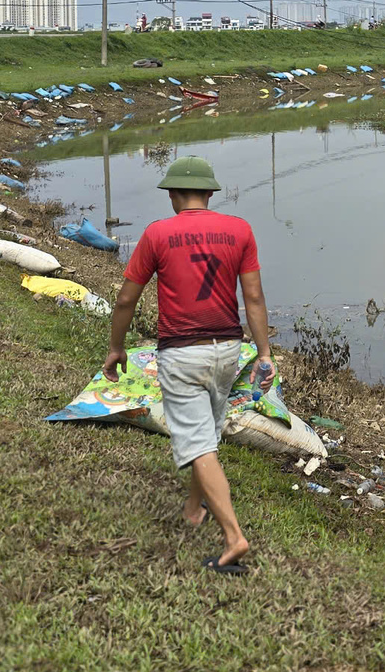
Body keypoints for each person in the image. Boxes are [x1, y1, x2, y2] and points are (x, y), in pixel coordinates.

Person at [103, 155, 272, 574]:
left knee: (197, 444)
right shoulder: (240, 231)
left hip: (181, 353)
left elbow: (126, 298)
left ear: (173, 196)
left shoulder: (158, 234)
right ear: (210, 194)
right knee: (208, 432)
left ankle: (233, 537)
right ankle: (194, 508)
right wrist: (265, 353)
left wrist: (116, 347)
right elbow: (253, 299)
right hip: (228, 349)